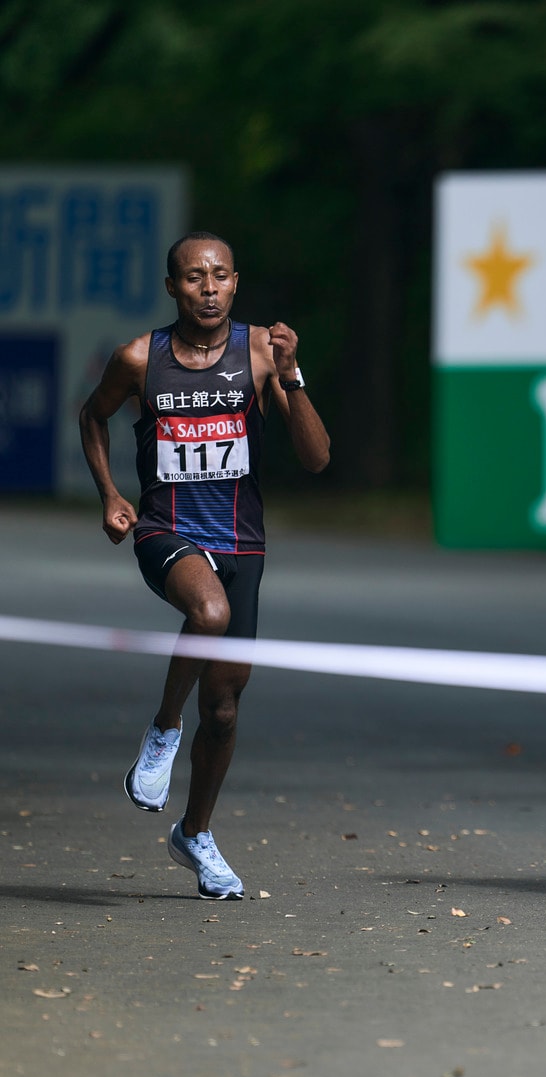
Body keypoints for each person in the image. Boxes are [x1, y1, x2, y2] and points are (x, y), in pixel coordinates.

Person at [79, 232, 331, 899]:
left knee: (223, 709)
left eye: (220, 275)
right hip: (165, 531)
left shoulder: (260, 352)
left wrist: (293, 373)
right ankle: (163, 729)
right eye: (194, 277)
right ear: (173, 288)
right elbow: (92, 417)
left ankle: (194, 834)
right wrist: (110, 495)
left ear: (236, 282)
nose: (209, 288)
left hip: (242, 541)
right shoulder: (139, 358)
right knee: (207, 609)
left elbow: (315, 458)